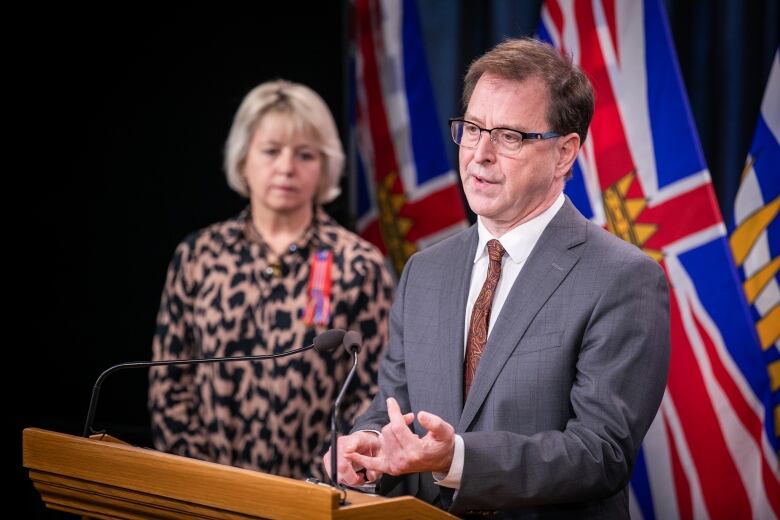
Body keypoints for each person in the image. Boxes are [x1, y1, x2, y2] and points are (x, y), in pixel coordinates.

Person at [325, 38, 670, 518]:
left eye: (509, 136)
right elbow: (393, 404)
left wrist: (458, 459)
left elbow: (600, 453)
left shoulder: (622, 279)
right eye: (472, 129)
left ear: (565, 153)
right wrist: (367, 442)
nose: (479, 154)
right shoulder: (425, 271)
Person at [148, 79, 393, 480]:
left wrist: (328, 473)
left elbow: (371, 393)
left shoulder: (359, 264)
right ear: (243, 159)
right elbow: (169, 386)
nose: (286, 167)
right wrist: (201, 482)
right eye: (270, 151)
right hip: (203, 491)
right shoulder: (198, 256)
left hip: (315, 493)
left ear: (325, 165)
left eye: (304, 155)